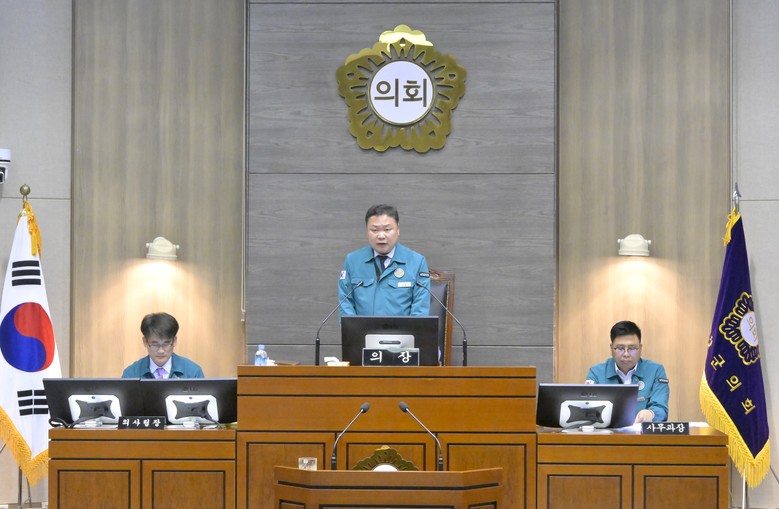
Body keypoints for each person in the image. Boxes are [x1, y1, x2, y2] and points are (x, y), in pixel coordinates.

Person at [339, 204, 430, 317]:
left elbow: (420, 311)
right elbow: (345, 304)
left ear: (398, 230)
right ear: (367, 231)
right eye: (374, 230)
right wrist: (353, 328)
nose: (381, 236)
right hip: (362, 329)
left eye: (387, 229)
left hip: (403, 329)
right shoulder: (353, 261)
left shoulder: (416, 262)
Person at [585, 320, 669, 423]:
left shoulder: (655, 371)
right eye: (620, 348)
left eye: (632, 348)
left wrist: (651, 414)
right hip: (607, 431)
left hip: (642, 432)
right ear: (611, 349)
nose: (626, 354)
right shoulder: (596, 373)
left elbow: (661, 408)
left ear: (640, 349)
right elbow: (589, 408)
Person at [121, 312, 205, 379]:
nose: (160, 351)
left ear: (174, 341)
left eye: (166, 344)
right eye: (155, 344)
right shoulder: (131, 374)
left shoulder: (193, 372)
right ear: (145, 342)